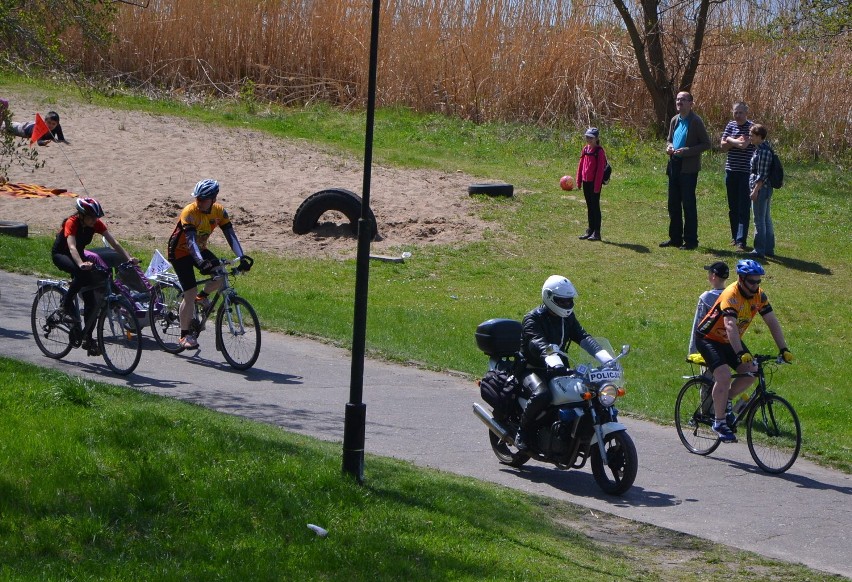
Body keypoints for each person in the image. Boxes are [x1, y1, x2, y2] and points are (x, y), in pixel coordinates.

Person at [694, 259, 793, 442]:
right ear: (741, 279)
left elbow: (772, 321)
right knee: (723, 375)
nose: (755, 285)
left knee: (752, 372)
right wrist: (740, 353)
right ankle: (719, 420)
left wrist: (783, 348)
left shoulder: (759, 296)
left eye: (758, 281)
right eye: (752, 281)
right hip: (709, 338)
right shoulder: (731, 294)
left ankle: (727, 399)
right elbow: (730, 326)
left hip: (729, 340)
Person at [515, 275, 613, 451]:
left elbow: (583, 336)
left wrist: (605, 357)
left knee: (589, 392)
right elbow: (537, 342)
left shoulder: (567, 318)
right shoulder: (532, 318)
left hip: (558, 368)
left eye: (569, 301)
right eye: (563, 301)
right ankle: (522, 432)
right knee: (542, 395)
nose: (567, 305)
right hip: (533, 369)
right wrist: (550, 358)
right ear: (549, 297)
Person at [167, 179, 251, 350]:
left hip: (200, 249)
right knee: (189, 293)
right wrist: (200, 262)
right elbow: (190, 242)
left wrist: (241, 257)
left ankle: (203, 297)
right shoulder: (189, 213)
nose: (199, 202)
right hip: (180, 253)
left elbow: (230, 235)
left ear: (213, 199)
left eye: (203, 199)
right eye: (197, 198)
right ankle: (184, 335)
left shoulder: (219, 212)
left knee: (221, 275)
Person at [51, 197, 137, 356]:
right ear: (81, 215)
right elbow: (71, 246)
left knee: (92, 300)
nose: (94, 220)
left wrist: (128, 258)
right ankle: (65, 305)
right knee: (81, 273)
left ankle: (87, 339)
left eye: (96, 217)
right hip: (62, 254)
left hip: (79, 255)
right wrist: (80, 263)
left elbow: (114, 242)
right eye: (91, 217)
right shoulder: (72, 222)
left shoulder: (95, 224)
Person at [661, 91, 711, 250]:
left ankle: (691, 241)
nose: (679, 102)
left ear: (691, 103)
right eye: (677, 99)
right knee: (673, 204)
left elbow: (706, 144)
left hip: (688, 168)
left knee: (688, 204)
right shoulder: (674, 120)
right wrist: (669, 147)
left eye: (683, 99)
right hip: (674, 165)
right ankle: (675, 238)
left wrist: (686, 151)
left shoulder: (695, 121)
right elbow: (669, 139)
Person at [720, 102, 755, 251]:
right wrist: (732, 141)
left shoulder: (751, 127)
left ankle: (742, 241)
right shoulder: (730, 126)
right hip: (731, 170)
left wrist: (729, 140)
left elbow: (744, 145)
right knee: (732, 206)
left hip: (746, 172)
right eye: (736, 112)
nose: (738, 115)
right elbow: (722, 146)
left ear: (746, 113)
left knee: (743, 207)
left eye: (741, 112)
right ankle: (735, 237)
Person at [687, 261, 729, 356]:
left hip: (708, 344)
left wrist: (692, 351)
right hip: (727, 344)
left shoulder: (706, 297)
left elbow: (698, 324)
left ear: (713, 276)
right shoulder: (731, 296)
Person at [748, 124, 776, 259]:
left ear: (760, 137)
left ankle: (759, 249)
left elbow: (762, 175)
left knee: (759, 219)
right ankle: (768, 248)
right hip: (763, 189)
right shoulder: (759, 149)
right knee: (765, 218)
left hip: (761, 189)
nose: (750, 138)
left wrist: (755, 191)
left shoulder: (764, 151)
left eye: (752, 135)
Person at [575, 127, 607, 241]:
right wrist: (579, 180)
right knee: (589, 206)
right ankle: (590, 230)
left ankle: (597, 233)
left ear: (597, 138)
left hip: (594, 184)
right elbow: (581, 165)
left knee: (595, 207)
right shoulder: (585, 149)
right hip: (586, 182)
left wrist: (597, 186)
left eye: (591, 138)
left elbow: (599, 171)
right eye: (587, 137)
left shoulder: (599, 152)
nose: (588, 140)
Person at [3, 109, 68, 145]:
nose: (51, 125)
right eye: (49, 123)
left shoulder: (57, 126)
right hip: (23, 129)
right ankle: (3, 114)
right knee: (7, 126)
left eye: (53, 124)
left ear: (57, 124)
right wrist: (44, 143)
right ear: (44, 121)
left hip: (31, 124)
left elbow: (61, 138)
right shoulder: (40, 129)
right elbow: (39, 142)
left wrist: (63, 141)